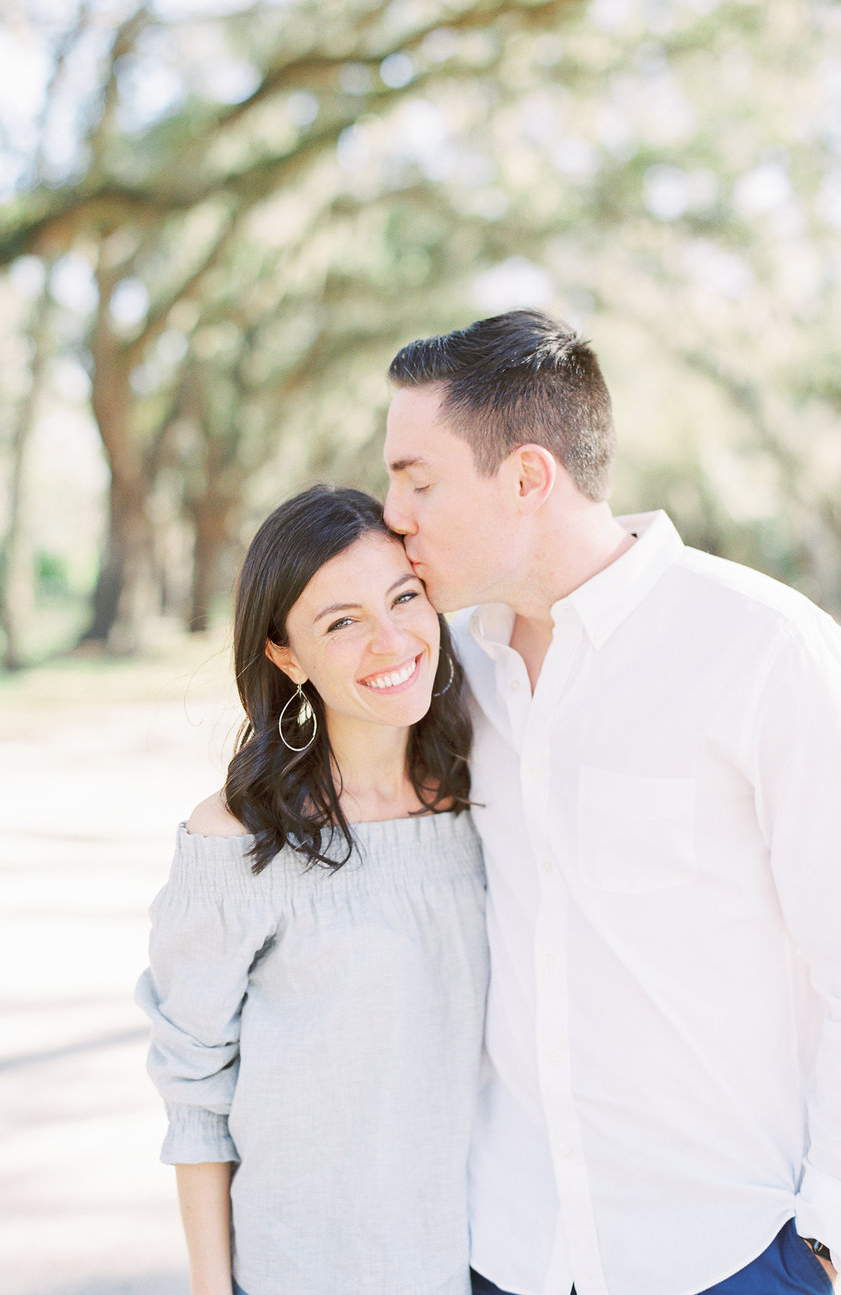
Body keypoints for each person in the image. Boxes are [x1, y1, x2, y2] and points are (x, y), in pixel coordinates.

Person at [382, 310, 841, 1295]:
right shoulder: (446, 667)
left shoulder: (769, 652)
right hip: (502, 1250)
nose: (393, 513)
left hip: (722, 1254)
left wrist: (821, 1239)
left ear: (526, 477)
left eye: (416, 479)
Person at [136, 485, 487, 1295]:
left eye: (404, 597)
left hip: (483, 1266)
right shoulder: (237, 842)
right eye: (342, 621)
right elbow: (194, 1090)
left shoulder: (481, 798)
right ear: (286, 655)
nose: (391, 638)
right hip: (307, 1272)